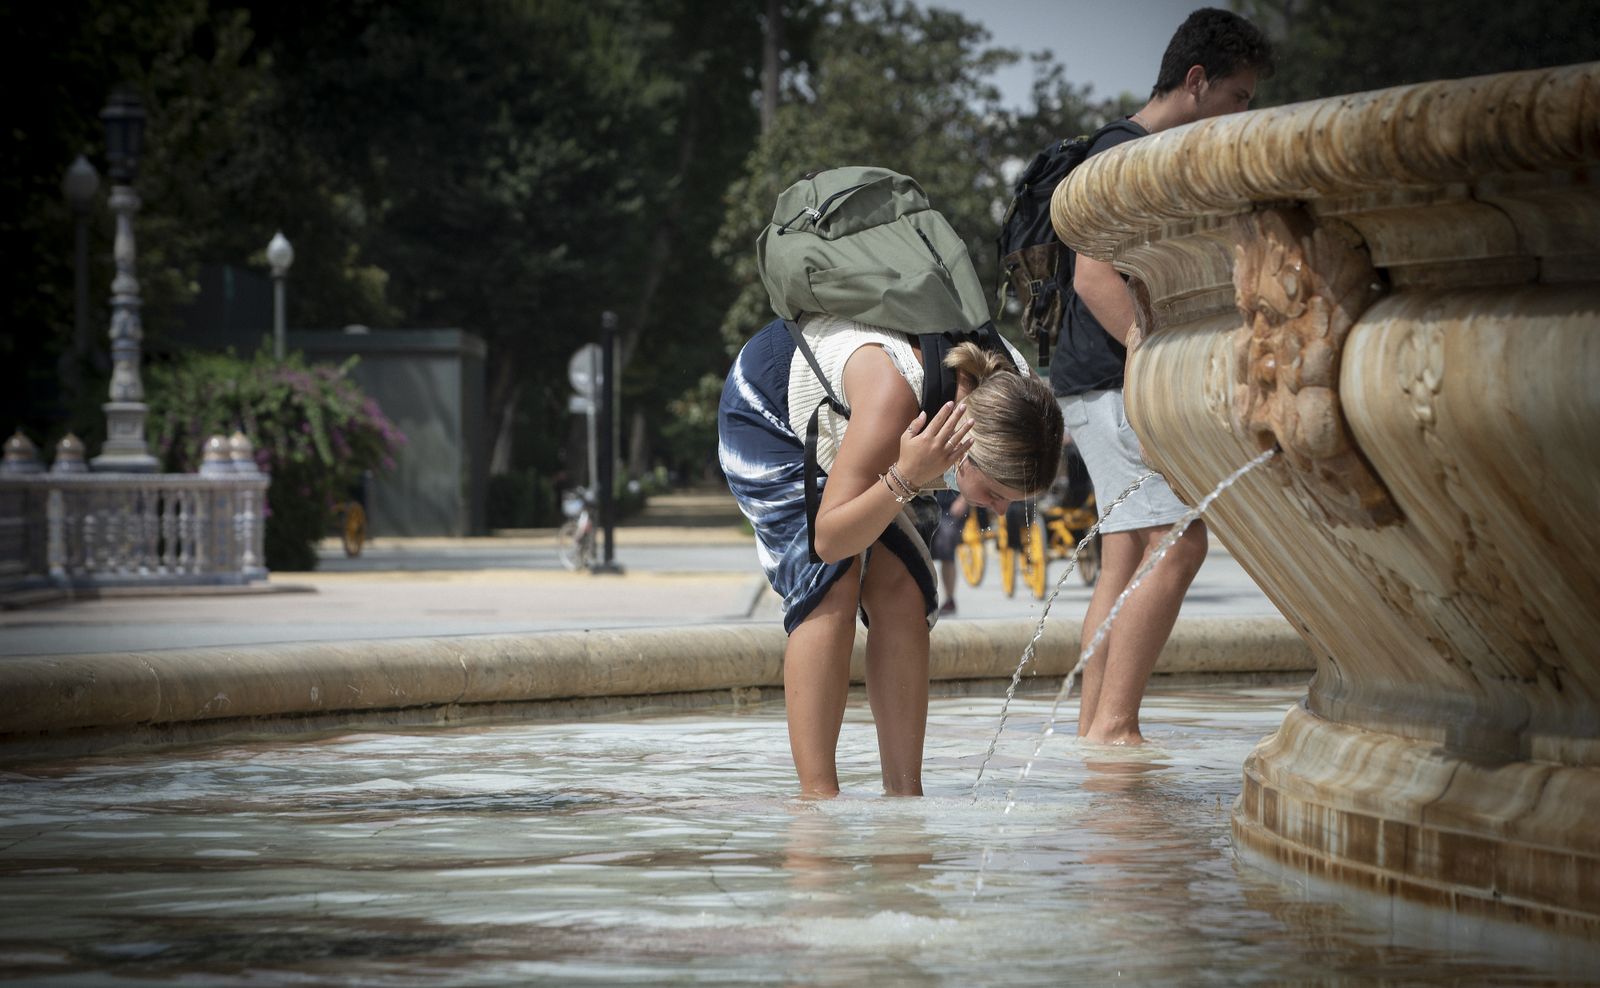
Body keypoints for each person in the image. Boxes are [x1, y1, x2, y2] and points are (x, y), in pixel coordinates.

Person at [719, 313, 1063, 797]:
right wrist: (904, 476)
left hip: (898, 443)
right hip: (773, 413)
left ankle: (905, 797)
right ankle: (817, 805)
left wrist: (908, 473)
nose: (1003, 510)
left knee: (903, 590)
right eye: (997, 491)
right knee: (832, 583)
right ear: (964, 448)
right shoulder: (893, 393)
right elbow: (829, 539)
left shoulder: (1015, 394)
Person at [1053, 8, 1275, 745]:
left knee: (1126, 554)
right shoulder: (1130, 153)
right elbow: (1092, 276)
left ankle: (1093, 730)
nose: (1244, 114)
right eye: (1239, 98)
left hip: (1091, 381)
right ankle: (1115, 727)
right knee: (1179, 544)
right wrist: (1154, 355)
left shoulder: (1114, 144)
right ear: (1197, 80)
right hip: (1116, 383)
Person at [929, 488, 967, 616]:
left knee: (946, 547)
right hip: (926, 504)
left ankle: (950, 599)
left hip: (950, 506)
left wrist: (963, 500)